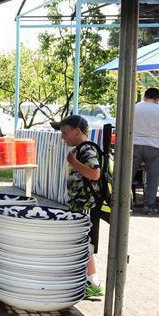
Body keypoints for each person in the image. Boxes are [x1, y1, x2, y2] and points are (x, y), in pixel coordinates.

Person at [51, 115, 105, 299]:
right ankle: (89, 280)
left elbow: (95, 173)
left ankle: (93, 282)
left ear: (77, 131)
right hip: (80, 204)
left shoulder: (86, 149)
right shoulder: (81, 149)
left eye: (65, 133)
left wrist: (74, 163)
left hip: (86, 204)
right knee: (82, 242)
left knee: (84, 243)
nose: (63, 137)